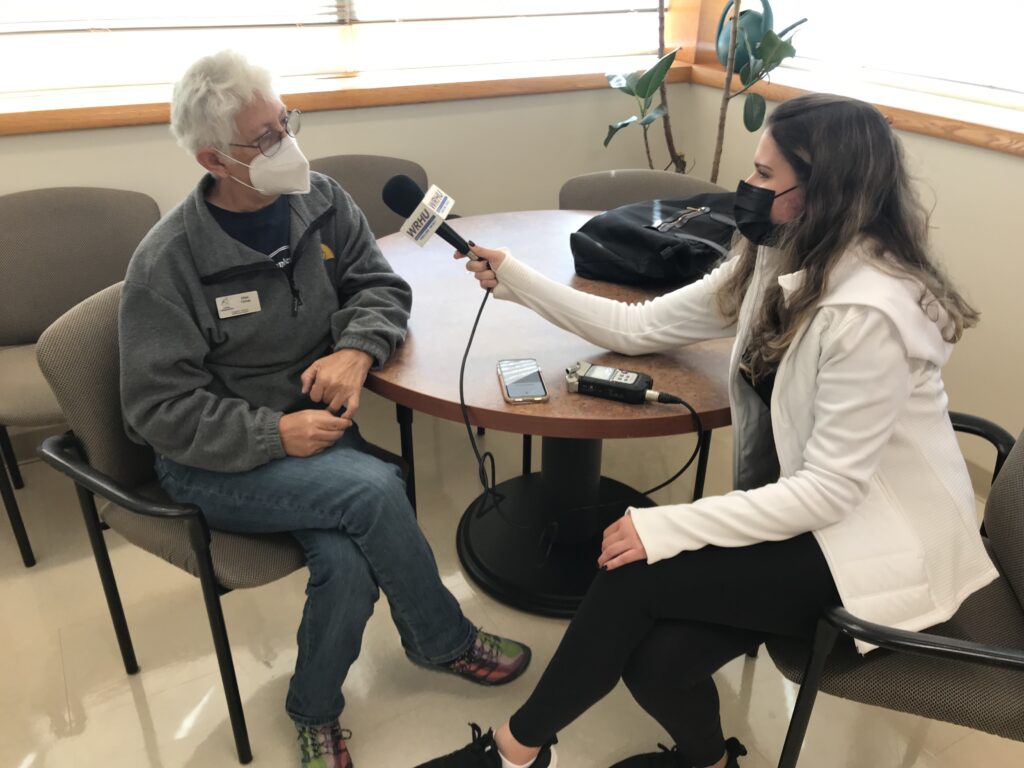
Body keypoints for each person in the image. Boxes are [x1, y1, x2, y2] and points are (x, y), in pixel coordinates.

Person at [416, 93, 998, 768]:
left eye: (763, 175)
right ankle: (711, 762)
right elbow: (638, 328)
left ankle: (514, 752)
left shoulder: (869, 312)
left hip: (871, 536)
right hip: (808, 512)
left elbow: (832, 494)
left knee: (632, 572)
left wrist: (666, 526)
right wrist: (515, 277)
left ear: (822, 191)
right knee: (657, 662)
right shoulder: (780, 257)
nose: (744, 190)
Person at [118, 50, 532, 768]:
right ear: (216, 158)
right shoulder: (168, 264)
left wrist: (358, 351)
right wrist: (272, 432)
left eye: (287, 123)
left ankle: (312, 713)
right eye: (267, 139)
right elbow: (157, 409)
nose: (289, 146)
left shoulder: (320, 199)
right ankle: (444, 641)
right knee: (377, 488)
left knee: (344, 561)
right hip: (210, 461)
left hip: (315, 438)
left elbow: (382, 287)